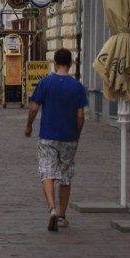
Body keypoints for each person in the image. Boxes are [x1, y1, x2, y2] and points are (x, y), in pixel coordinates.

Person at [24, 48, 89, 231]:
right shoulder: (77, 87)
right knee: (66, 176)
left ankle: (51, 208)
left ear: (54, 62)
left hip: (47, 136)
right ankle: (61, 215)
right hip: (69, 137)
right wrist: (77, 133)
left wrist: (29, 125)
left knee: (47, 172)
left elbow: (34, 108)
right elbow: (81, 116)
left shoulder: (45, 83)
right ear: (70, 64)